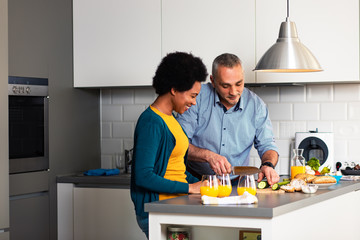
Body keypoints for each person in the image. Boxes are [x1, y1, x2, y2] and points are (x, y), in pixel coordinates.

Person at [130, 52, 208, 239]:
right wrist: (190, 188)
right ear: (174, 89)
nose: (194, 102)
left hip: (174, 206)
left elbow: (176, 169)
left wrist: (203, 182)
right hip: (158, 210)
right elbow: (143, 176)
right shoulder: (151, 121)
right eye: (192, 95)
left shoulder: (171, 119)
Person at [176, 53, 280, 186]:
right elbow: (177, 143)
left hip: (237, 184)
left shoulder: (256, 105)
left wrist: (268, 165)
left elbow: (267, 145)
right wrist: (207, 156)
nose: (233, 92)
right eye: (226, 86)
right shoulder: (196, 98)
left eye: (239, 84)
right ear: (213, 81)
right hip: (195, 181)